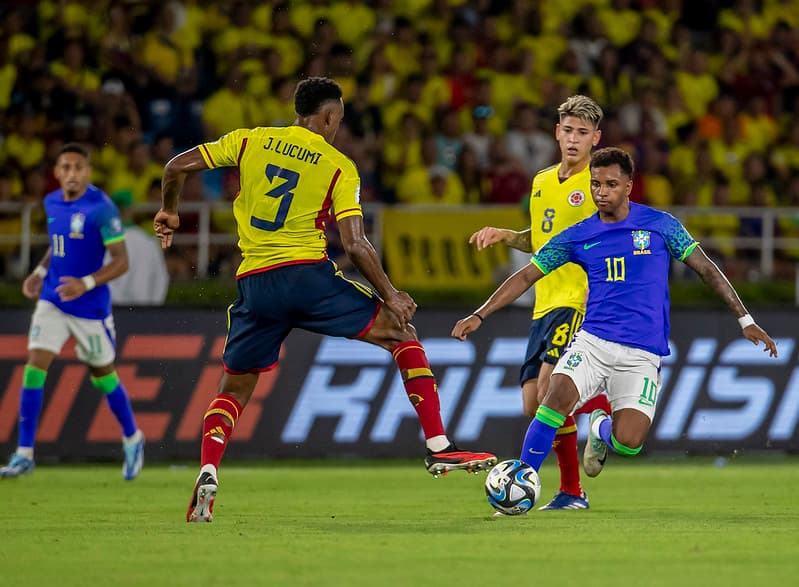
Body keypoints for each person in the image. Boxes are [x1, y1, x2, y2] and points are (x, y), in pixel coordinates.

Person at [153, 77, 497, 523]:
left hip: (255, 284)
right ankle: (438, 448)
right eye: (339, 119)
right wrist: (390, 293)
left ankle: (208, 471)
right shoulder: (339, 165)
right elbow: (355, 244)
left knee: (234, 387)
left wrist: (170, 210)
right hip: (307, 277)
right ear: (329, 116)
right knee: (401, 334)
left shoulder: (251, 140)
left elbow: (176, 167)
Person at [452, 147, 778, 494]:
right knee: (553, 398)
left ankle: (600, 429)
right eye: (595, 184)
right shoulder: (579, 234)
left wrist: (745, 320)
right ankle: (523, 481)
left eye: (610, 184)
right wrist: (480, 314)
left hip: (642, 354)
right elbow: (526, 276)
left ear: (628, 186)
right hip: (593, 342)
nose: (600, 192)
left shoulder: (661, 225)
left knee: (629, 442)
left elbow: (708, 270)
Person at [469, 95, 612, 510]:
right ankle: (572, 489)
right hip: (544, 302)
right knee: (534, 404)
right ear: (556, 132)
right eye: (568, 130)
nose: (573, 139)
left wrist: (599, 288)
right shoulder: (542, 180)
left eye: (582, 133)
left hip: (579, 298)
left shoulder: (598, 185)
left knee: (551, 390)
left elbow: (610, 241)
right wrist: (505, 235)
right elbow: (541, 240)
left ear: (595, 138)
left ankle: (601, 419)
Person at [0, 143, 145, 481]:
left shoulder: (102, 208)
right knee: (34, 367)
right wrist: (38, 273)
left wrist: (86, 283)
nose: (72, 174)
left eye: (78, 167)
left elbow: (122, 262)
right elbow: (59, 243)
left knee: (103, 375)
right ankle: (24, 454)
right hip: (53, 299)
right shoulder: (51, 202)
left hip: (89, 308)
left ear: (88, 172)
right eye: (65, 167)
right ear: (57, 172)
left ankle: (133, 437)